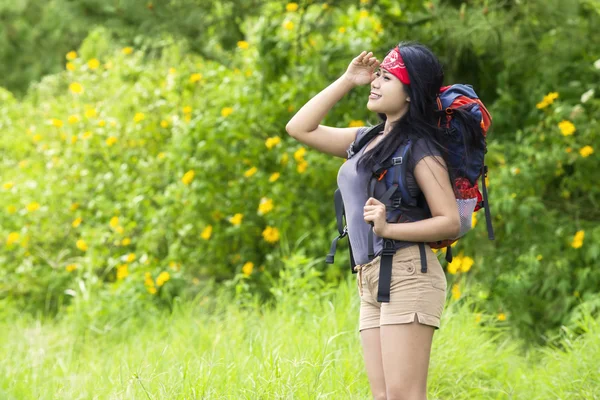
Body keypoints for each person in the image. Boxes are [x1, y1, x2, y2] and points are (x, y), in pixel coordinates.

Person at [286, 42, 462, 400]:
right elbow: (299, 127)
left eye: (388, 77)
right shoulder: (365, 139)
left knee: (404, 396)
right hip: (369, 276)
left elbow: (449, 222)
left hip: (408, 274)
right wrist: (347, 79)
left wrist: (388, 228)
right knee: (382, 397)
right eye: (377, 76)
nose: (376, 83)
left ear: (411, 93)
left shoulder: (420, 148)